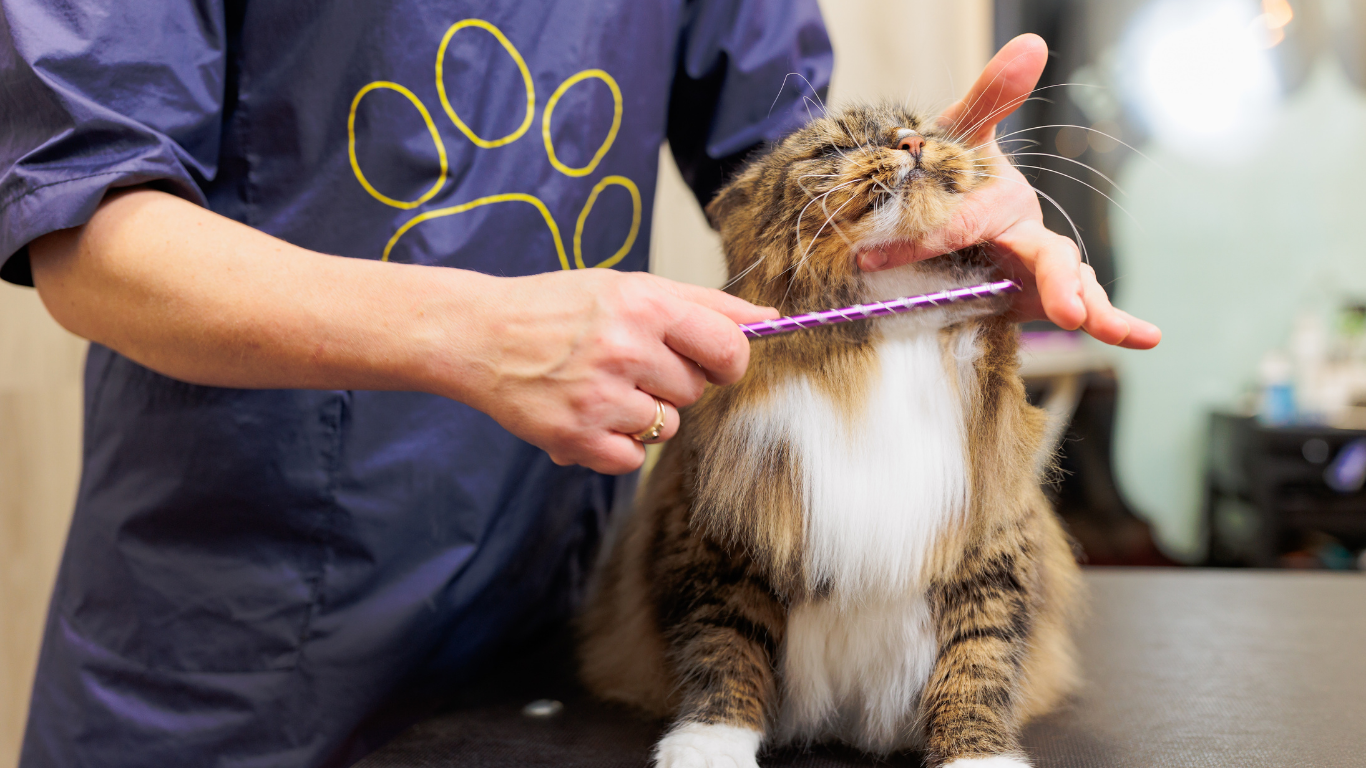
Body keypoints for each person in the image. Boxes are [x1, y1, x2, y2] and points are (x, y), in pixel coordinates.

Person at [0, 1, 1159, 765]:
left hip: (549, 600)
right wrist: (471, 331)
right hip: (228, 641)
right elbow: (86, 231)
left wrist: (928, 213)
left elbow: (777, 169)